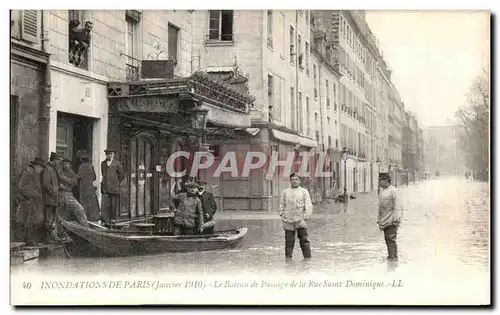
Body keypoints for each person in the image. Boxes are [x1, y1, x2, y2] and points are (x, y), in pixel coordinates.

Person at [279, 173, 313, 260]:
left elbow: (308, 205)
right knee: (289, 241)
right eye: (292, 179)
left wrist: (306, 217)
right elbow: (281, 204)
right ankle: (288, 259)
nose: (294, 181)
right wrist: (282, 214)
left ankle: (307, 259)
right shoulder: (285, 192)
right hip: (288, 220)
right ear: (290, 181)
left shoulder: (304, 192)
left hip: (300, 220)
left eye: (296, 179)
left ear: (299, 181)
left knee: (304, 240)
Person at [15, 158, 46, 246]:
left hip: (32, 201)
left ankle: (29, 240)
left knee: (31, 221)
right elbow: (22, 186)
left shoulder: (34, 173)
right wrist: (33, 194)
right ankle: (25, 241)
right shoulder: (29, 172)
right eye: (41, 167)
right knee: (26, 221)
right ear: (36, 166)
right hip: (27, 201)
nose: (42, 169)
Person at [377, 172, 403, 262]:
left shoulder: (394, 191)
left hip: (392, 221)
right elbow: (380, 208)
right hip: (384, 221)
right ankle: (390, 257)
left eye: (380, 180)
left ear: (386, 180)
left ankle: (393, 259)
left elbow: (398, 207)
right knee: (387, 239)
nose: (379, 182)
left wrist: (396, 219)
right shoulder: (382, 191)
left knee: (391, 239)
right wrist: (379, 220)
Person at [58, 158, 89, 227]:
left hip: (69, 194)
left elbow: (75, 182)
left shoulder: (71, 172)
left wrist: (64, 180)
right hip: (60, 194)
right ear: (62, 165)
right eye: (65, 164)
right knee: (61, 214)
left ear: (70, 165)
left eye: (68, 164)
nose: (66, 166)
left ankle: (86, 227)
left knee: (80, 209)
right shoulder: (58, 171)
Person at [41, 152, 63, 243]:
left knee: (52, 217)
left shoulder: (53, 169)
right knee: (49, 218)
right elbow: (46, 184)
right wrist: (54, 193)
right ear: (54, 160)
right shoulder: (48, 168)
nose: (59, 162)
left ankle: (52, 237)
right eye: (58, 160)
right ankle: (47, 238)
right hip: (49, 198)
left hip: (53, 198)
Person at [101, 148, 125, 227]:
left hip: (114, 187)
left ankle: (113, 219)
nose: (109, 155)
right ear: (106, 155)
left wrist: (117, 183)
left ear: (113, 155)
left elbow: (122, 175)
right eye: (108, 154)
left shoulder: (117, 163)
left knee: (113, 204)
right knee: (105, 204)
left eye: (111, 154)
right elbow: (103, 174)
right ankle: (105, 220)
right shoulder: (103, 163)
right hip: (105, 187)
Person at [77, 152, 101, 223]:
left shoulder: (82, 166)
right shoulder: (91, 166)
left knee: (84, 202)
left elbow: (79, 176)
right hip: (90, 187)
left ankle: (85, 219)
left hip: (84, 187)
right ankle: (93, 218)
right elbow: (94, 177)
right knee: (92, 203)